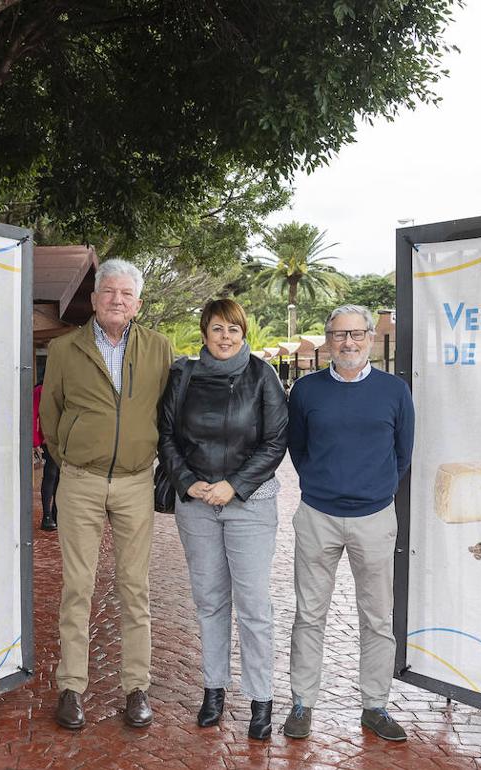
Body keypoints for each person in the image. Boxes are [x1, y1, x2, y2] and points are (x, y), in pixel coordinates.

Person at [39, 258, 173, 730]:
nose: (118, 300)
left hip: (137, 482)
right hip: (80, 482)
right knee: (78, 587)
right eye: (109, 292)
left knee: (135, 588)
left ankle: (136, 686)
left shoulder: (160, 348)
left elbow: (166, 412)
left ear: (138, 303)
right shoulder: (63, 349)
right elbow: (50, 417)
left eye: (126, 294)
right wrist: (74, 453)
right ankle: (71, 686)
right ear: (94, 299)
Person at [282, 304, 415, 742]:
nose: (349, 343)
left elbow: (402, 455)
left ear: (370, 338)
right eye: (339, 335)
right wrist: (325, 485)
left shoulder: (395, 391)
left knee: (378, 618)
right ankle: (302, 702)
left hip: (374, 518)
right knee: (309, 614)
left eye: (356, 334)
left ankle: (374, 705)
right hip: (317, 516)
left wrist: (370, 490)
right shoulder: (305, 391)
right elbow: (298, 449)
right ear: (328, 340)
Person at [157, 299, 288, 740]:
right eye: (217, 328)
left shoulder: (261, 375)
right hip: (196, 505)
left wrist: (233, 484)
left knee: (253, 606)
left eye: (233, 329)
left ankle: (261, 697)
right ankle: (213, 689)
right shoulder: (183, 375)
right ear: (204, 332)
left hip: (248, 503)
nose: (226, 337)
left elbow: (275, 441)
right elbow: (167, 435)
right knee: (210, 601)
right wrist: (188, 482)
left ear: (243, 331)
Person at [33, 380, 59, 532]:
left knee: (61, 477)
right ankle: (47, 515)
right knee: (51, 474)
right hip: (48, 439)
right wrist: (35, 440)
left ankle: (56, 513)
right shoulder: (40, 390)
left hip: (66, 439)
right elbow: (33, 413)